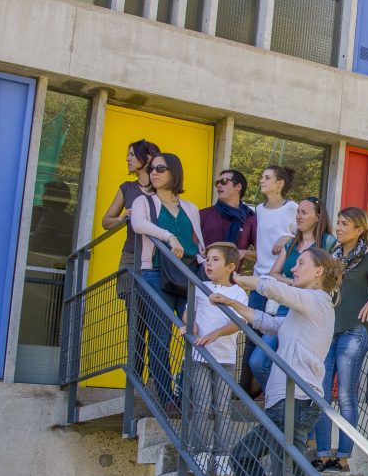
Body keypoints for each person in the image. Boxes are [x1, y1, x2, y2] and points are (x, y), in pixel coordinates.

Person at [211, 249, 343, 476]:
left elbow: (275, 290)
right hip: (289, 403)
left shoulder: (317, 301)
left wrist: (238, 279)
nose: (294, 267)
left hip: (294, 403)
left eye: (301, 264)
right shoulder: (304, 312)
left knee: (276, 474)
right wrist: (233, 304)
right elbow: (269, 322)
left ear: (319, 272)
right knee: (282, 475)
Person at [312, 207, 368, 472]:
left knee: (347, 396)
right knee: (321, 394)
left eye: (345, 223)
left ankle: (344, 457)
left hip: (352, 334)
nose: (338, 227)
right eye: (337, 222)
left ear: (359, 230)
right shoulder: (330, 259)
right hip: (326, 332)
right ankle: (323, 454)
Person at [128, 153, 206, 409]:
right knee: (160, 338)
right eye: (152, 168)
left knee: (195, 333)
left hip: (187, 278)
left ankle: (186, 393)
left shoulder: (190, 208)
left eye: (161, 168)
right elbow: (138, 225)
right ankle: (166, 399)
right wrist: (169, 237)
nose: (154, 172)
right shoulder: (144, 201)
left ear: (174, 172)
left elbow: (199, 245)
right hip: (155, 273)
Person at [248, 197, 335, 390]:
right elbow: (272, 273)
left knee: (302, 369)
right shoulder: (291, 243)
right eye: (297, 212)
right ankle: (279, 401)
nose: (299, 216)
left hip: (309, 313)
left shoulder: (328, 242)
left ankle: (289, 407)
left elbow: (334, 275)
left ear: (318, 216)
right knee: (258, 361)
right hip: (283, 310)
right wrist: (292, 283)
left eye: (304, 212)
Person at [186, 242, 248, 476]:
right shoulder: (200, 287)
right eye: (208, 259)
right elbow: (188, 310)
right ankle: (200, 452)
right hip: (199, 356)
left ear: (230, 266)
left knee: (222, 407)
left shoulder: (238, 293)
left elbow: (239, 322)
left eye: (215, 260)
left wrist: (217, 333)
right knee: (201, 405)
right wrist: (188, 323)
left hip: (225, 358)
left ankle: (222, 454)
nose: (208, 264)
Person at [101, 138, 160, 296]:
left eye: (132, 155)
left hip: (158, 257)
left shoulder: (163, 190)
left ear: (147, 158)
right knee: (132, 308)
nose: (127, 158)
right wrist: (122, 218)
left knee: (154, 310)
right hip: (131, 256)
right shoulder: (127, 188)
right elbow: (106, 222)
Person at [248, 166, 297, 313]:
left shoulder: (292, 207)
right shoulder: (260, 209)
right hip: (259, 278)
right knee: (252, 328)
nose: (262, 181)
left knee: (271, 331)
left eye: (267, 178)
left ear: (279, 183)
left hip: (279, 281)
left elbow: (304, 237)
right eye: (262, 177)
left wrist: (287, 238)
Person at [199, 168, 257, 266]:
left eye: (224, 182)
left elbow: (262, 255)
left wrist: (243, 253)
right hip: (201, 277)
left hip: (230, 278)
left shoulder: (250, 218)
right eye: (217, 183)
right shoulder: (203, 214)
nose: (218, 185)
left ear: (238, 186)